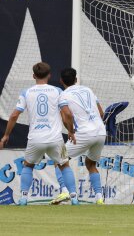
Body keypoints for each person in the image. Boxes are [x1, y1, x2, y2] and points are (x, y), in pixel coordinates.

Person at [0, 62, 78, 205]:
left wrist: (6, 135)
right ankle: (74, 198)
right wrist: (71, 131)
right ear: (49, 75)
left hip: (35, 139)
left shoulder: (26, 92)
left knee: (28, 166)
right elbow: (68, 114)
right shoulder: (58, 91)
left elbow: (13, 116)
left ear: (33, 76)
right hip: (55, 139)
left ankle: (23, 198)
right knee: (64, 165)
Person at [49, 68, 107, 205]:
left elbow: (67, 115)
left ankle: (67, 193)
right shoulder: (88, 90)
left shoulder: (63, 95)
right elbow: (101, 112)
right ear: (76, 79)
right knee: (90, 163)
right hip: (100, 132)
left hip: (83, 133)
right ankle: (99, 198)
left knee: (59, 157)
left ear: (61, 81)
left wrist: (70, 131)